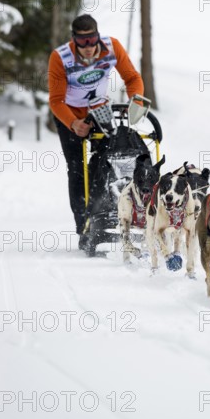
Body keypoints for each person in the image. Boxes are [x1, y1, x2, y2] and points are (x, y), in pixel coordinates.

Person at [48, 14, 144, 248]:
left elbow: (132, 77)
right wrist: (73, 123)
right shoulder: (60, 57)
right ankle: (84, 227)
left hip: (100, 108)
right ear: (74, 40)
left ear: (98, 37)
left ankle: (108, 214)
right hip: (69, 113)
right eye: (82, 42)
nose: (89, 47)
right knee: (77, 170)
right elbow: (56, 100)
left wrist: (137, 102)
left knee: (110, 160)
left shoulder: (111, 47)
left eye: (92, 40)